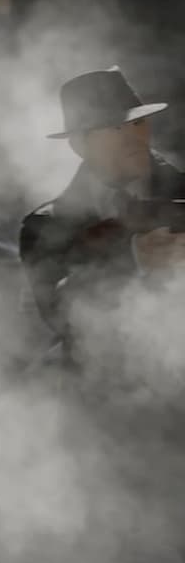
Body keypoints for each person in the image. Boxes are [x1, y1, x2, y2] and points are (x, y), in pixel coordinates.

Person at [19, 65, 185, 367]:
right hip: (101, 386)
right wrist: (132, 259)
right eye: (113, 127)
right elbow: (59, 314)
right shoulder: (45, 226)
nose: (132, 135)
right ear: (79, 144)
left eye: (139, 122)